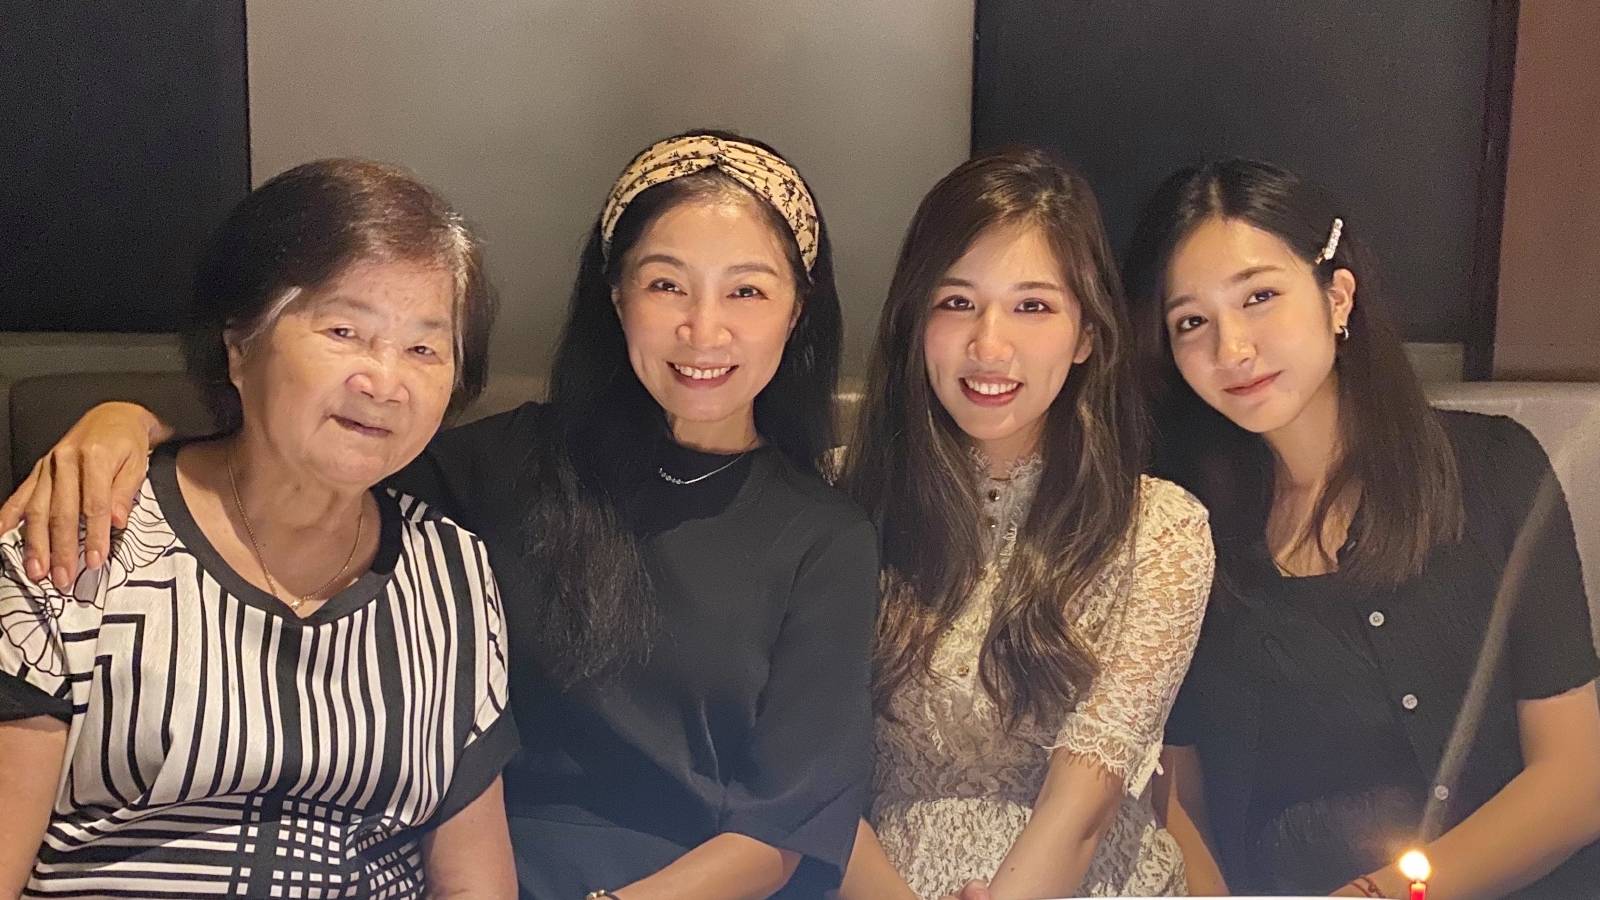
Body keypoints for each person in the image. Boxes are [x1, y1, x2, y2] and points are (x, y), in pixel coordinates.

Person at [4, 131, 879, 900]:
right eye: (665, 284)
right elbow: (299, 460)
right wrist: (126, 424)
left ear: (797, 312)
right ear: (618, 299)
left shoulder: (823, 537)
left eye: (747, 292)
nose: (703, 329)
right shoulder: (500, 470)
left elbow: (790, 822)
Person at [0, 158, 516, 899]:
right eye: (344, 330)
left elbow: (474, 882)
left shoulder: (452, 569)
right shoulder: (86, 529)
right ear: (239, 347)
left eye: (424, 349)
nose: (384, 381)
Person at [1123, 158, 1600, 898]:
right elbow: (1175, 795)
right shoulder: (1177, 522)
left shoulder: (1493, 469)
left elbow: (1576, 776)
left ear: (1337, 295)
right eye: (1192, 322)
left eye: (1259, 297)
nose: (1232, 349)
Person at [835, 148, 1214, 900]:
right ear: (915, 322)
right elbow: (803, 773)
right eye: (956, 303)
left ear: (1087, 334)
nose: (990, 345)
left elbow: (1085, 801)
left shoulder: (1160, 529)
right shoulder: (839, 496)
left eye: (1033, 306)